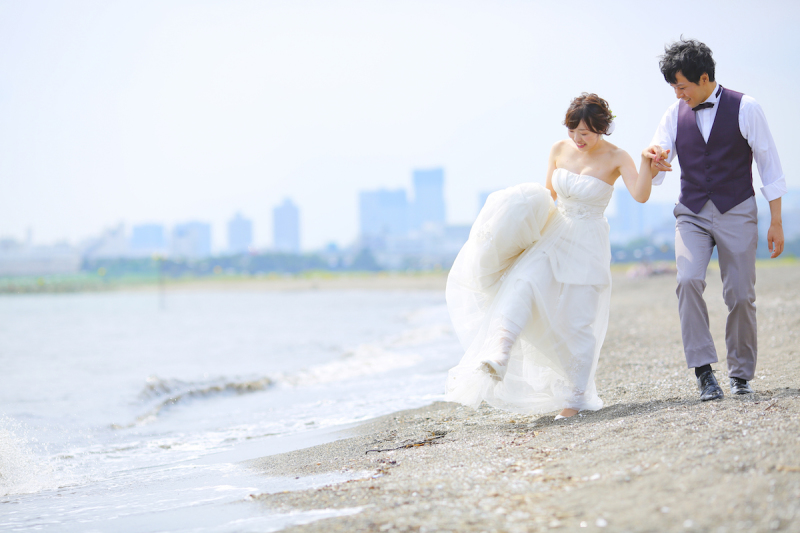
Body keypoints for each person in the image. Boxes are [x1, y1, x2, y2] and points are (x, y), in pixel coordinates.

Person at [445, 94, 657, 419]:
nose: (577, 139)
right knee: (523, 282)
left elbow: (641, 194)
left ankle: (574, 399)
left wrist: (646, 162)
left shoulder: (617, 157)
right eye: (573, 131)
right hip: (555, 232)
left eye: (585, 133)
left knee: (578, 320)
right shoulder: (559, 149)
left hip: (589, 242)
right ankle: (499, 353)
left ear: (601, 129)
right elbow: (549, 196)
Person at [644, 38, 786, 401]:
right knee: (688, 280)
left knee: (739, 295)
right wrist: (654, 160)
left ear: (704, 77)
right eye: (674, 88)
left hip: (737, 208)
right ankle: (705, 373)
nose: (678, 94)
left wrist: (776, 221)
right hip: (691, 212)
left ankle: (740, 374)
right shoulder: (672, 115)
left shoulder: (747, 107)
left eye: (681, 86)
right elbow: (658, 167)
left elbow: (769, 165)